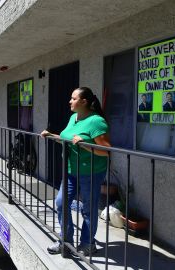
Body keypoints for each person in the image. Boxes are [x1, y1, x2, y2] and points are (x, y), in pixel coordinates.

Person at [41, 87, 111, 256]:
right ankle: (66, 241)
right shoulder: (74, 118)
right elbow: (70, 140)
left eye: (73, 98)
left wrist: (85, 144)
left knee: (88, 209)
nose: (70, 101)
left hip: (92, 172)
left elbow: (107, 150)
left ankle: (88, 243)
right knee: (61, 202)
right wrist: (52, 136)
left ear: (84, 102)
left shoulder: (96, 121)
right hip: (71, 170)